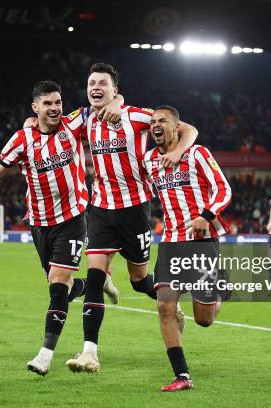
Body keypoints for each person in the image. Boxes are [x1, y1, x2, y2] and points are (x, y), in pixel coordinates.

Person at [0, 80, 119, 376]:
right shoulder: (22, 138)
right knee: (61, 286)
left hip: (73, 218)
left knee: (58, 288)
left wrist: (115, 101)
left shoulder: (73, 124)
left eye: (58, 102)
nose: (55, 108)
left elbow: (106, 104)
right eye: (47, 104)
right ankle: (98, 283)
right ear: (35, 108)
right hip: (39, 223)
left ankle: (45, 355)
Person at [66, 63, 199, 374]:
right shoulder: (83, 118)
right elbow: (54, 126)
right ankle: (89, 353)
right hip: (99, 208)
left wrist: (177, 152)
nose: (95, 87)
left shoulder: (137, 116)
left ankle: (171, 301)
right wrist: (34, 120)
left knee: (139, 281)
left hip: (136, 209)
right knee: (95, 277)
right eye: (91, 83)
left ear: (115, 90)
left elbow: (189, 130)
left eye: (102, 83)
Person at [143, 106, 231, 391]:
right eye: (152, 122)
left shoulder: (198, 154)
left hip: (201, 243)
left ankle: (221, 293)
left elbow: (224, 189)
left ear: (177, 126)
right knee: (164, 307)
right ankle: (182, 376)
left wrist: (206, 216)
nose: (156, 125)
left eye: (162, 121)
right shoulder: (148, 160)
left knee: (204, 320)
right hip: (170, 242)